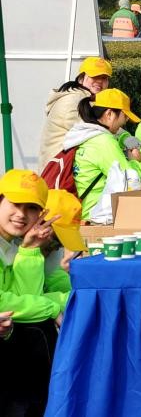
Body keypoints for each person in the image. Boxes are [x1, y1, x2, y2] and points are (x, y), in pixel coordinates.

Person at [0, 170, 68, 416]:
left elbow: (28, 298)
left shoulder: (20, 242)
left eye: (31, 207)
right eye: (15, 203)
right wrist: (52, 307)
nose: (21, 214)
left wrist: (29, 250)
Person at [62, 89, 141, 221]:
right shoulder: (104, 141)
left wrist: (125, 139)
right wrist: (135, 161)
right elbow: (130, 181)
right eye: (125, 116)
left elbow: (120, 134)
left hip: (81, 213)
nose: (125, 121)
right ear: (110, 114)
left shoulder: (84, 135)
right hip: (96, 217)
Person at [38, 57, 112, 168]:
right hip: (57, 172)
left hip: (64, 169)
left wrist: (126, 138)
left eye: (104, 78)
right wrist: (128, 142)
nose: (99, 81)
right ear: (81, 78)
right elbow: (98, 132)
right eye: (94, 76)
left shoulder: (86, 98)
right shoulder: (74, 100)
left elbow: (109, 125)